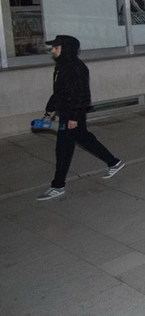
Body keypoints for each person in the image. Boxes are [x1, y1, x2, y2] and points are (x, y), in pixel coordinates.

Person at [36, 35, 125, 201]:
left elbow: (83, 95)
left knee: (63, 149)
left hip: (72, 115)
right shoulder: (61, 66)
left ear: (66, 49)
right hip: (67, 114)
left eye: (56, 47)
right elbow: (59, 92)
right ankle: (113, 162)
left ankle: (57, 186)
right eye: (53, 47)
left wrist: (74, 117)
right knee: (84, 139)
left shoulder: (77, 68)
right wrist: (49, 111)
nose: (53, 50)